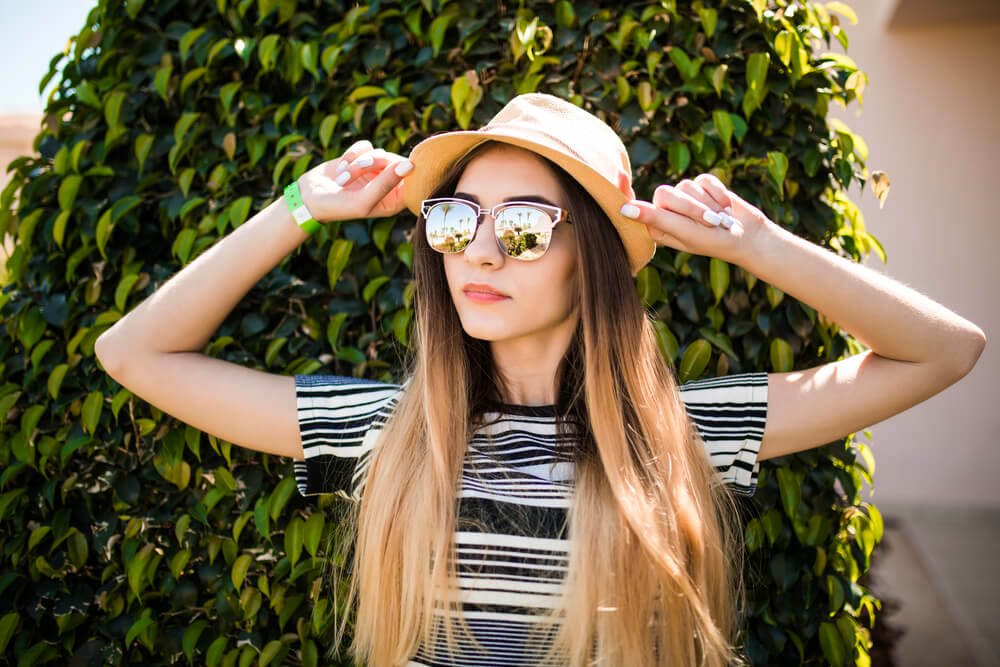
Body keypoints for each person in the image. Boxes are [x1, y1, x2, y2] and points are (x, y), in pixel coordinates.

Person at [95, 93, 986, 667]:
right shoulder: (390, 432)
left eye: (523, 225)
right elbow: (134, 355)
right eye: (456, 219)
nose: (480, 249)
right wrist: (296, 208)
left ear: (589, 259)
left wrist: (757, 244)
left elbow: (945, 350)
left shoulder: (675, 437)